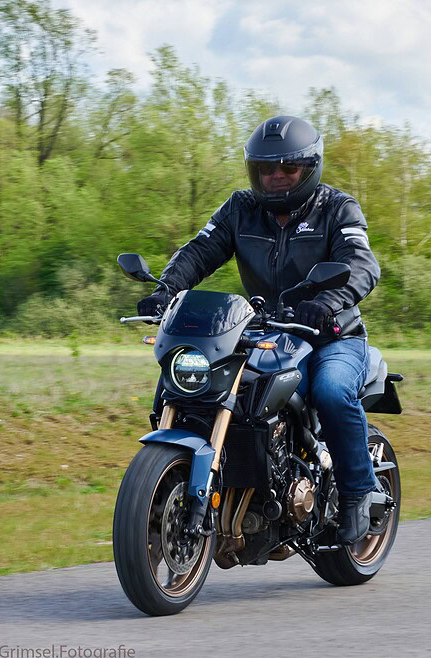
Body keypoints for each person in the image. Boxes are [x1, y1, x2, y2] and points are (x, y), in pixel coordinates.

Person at [137, 115, 381, 545]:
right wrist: (166, 290)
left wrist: (326, 303)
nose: (275, 178)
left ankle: (359, 493)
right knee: (190, 385)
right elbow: (199, 251)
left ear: (310, 168)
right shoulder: (240, 209)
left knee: (330, 392)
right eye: (265, 169)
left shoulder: (338, 208)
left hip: (333, 336)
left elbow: (362, 264)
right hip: (266, 330)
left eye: (287, 169)